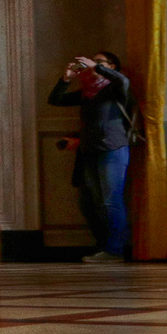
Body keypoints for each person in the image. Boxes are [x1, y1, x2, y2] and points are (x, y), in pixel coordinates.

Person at [48, 51, 139, 263]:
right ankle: (104, 247)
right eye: (92, 62)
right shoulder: (86, 93)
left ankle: (115, 251)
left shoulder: (115, 88)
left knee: (111, 201)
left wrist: (95, 66)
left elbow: (123, 80)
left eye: (100, 62)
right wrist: (67, 79)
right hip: (89, 151)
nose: (92, 66)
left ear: (112, 66)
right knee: (94, 203)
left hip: (112, 148)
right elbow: (55, 99)